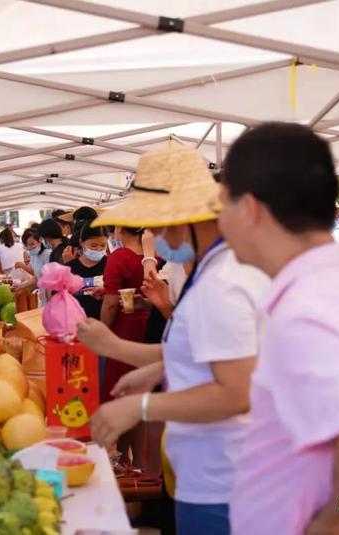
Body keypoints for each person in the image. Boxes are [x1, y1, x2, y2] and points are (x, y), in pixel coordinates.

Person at [77, 145, 269, 535]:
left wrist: (140, 408)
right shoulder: (215, 268)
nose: (155, 238)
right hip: (213, 474)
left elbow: (236, 392)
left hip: (226, 482)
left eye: (159, 226)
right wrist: (137, 359)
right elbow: (207, 351)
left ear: (188, 219)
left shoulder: (223, 284)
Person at [219, 123, 339, 535]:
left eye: (223, 203)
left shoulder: (305, 312)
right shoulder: (326, 283)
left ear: (250, 208)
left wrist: (333, 521)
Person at [99, 225, 152, 399]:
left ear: (120, 228)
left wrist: (101, 332)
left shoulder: (119, 257)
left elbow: (111, 303)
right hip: (152, 322)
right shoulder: (152, 256)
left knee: (121, 380)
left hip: (125, 327)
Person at [66, 221, 109, 320]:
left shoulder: (111, 265)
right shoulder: (69, 268)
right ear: (81, 242)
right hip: (77, 324)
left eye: (103, 245)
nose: (98, 249)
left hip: (106, 324)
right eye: (94, 246)